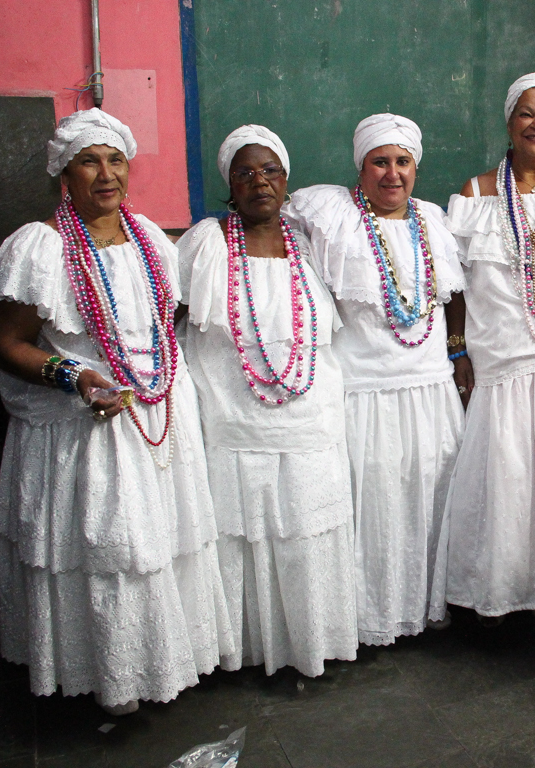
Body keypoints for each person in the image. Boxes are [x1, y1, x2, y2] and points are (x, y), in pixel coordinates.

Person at [0, 109, 232, 715]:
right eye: (89, 162)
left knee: (163, 540)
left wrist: (148, 376)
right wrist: (73, 376)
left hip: (155, 414)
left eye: (115, 159)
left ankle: (166, 661)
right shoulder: (39, 247)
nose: (106, 173)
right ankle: (111, 679)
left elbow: (158, 324)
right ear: (64, 176)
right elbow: (8, 342)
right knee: (113, 548)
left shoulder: (151, 238)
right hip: (88, 425)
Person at [177, 125, 357, 674]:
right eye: (246, 173)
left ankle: (308, 644)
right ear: (230, 185)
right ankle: (244, 649)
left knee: (305, 530)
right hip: (234, 422)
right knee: (241, 536)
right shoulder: (205, 243)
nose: (260, 182)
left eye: (271, 171)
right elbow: (173, 321)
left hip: (309, 421)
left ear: (287, 180)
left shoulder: (309, 246)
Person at [283, 114, 466, 645]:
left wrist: (457, 353)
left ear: (416, 167)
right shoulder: (330, 217)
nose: (392, 174)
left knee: (431, 492)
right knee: (377, 500)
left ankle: (427, 606)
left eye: (402, 162)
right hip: (365, 394)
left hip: (430, 389)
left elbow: (454, 298)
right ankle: (372, 616)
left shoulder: (434, 220)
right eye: (379, 162)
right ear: (360, 169)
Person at [435, 72, 535, 622]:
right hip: (500, 364)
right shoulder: (476, 194)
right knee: (504, 484)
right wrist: (458, 351)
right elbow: (454, 286)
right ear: (509, 121)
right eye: (528, 113)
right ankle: (499, 597)